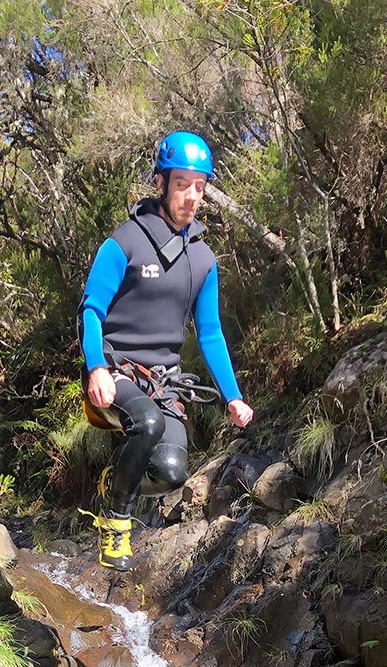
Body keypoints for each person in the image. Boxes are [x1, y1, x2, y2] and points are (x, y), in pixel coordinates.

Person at [78, 131, 253, 571]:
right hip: (117, 372)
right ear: (160, 183)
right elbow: (91, 310)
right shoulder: (124, 242)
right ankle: (116, 522)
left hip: (166, 382)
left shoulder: (205, 260)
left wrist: (232, 395)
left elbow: (210, 333)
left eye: (200, 185)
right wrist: (96, 366)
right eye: (182, 184)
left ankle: (111, 482)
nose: (192, 196)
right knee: (148, 422)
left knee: (173, 472)